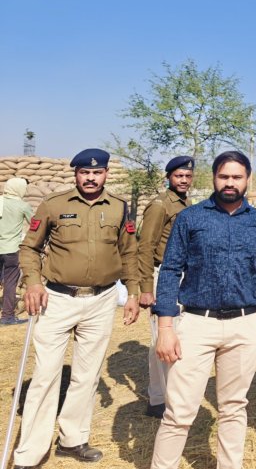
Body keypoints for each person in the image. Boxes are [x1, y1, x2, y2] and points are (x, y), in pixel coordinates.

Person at [150, 151, 256, 469]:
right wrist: (165, 328)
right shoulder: (191, 218)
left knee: (234, 407)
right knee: (179, 411)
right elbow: (169, 271)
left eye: (237, 177)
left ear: (248, 179)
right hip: (196, 323)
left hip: (244, 324)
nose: (230, 183)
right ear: (214, 178)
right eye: (224, 176)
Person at [13, 148, 140, 469]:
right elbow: (29, 247)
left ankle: (73, 439)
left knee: (87, 375)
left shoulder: (119, 207)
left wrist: (135, 292)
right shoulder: (53, 205)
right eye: (85, 172)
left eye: (97, 173)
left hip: (101, 300)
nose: (91, 178)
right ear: (76, 174)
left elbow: (129, 252)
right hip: (56, 299)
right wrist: (32, 283)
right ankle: (30, 452)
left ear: (106, 174)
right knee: (45, 375)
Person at [137, 155, 194, 418]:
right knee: (162, 337)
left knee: (171, 337)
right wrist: (146, 288)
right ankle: (163, 399)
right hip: (162, 275)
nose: (184, 180)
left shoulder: (184, 202)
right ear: (169, 177)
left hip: (181, 274)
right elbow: (145, 246)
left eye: (187, 176)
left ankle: (164, 396)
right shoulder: (160, 205)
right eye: (179, 176)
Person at [0, 177, 32, 325]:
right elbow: (34, 225)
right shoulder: (22, 205)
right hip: (11, 250)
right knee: (10, 284)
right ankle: (7, 317)